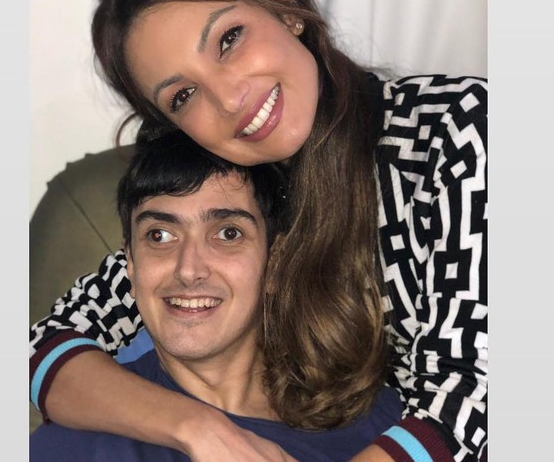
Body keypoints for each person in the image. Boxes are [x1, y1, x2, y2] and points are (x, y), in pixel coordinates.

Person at [29, 0, 488, 460]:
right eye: (184, 95)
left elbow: (472, 400)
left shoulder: (459, 132)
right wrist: (199, 429)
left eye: (228, 40)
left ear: (283, 3)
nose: (229, 100)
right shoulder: (243, 191)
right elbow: (47, 344)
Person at [30, 130, 403, 461]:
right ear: (130, 263)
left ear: (276, 262)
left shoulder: (379, 421)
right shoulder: (76, 446)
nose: (188, 268)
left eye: (228, 233)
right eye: (160, 235)